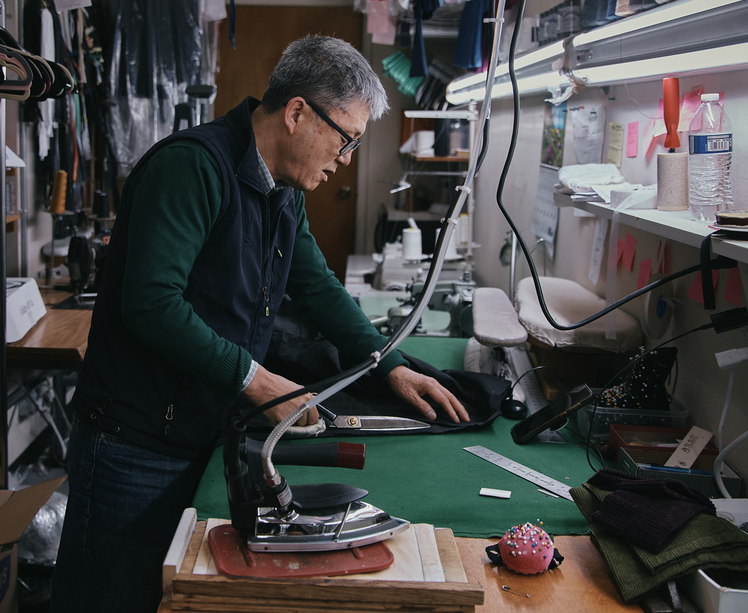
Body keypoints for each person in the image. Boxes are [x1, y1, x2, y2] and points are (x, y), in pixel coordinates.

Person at [49, 36, 469, 612]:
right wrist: (258, 380)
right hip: (135, 445)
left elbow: (316, 285)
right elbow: (151, 304)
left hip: (201, 432)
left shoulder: (281, 192)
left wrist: (388, 363)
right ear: (297, 113)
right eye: (345, 139)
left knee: (170, 598)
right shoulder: (191, 167)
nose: (345, 159)